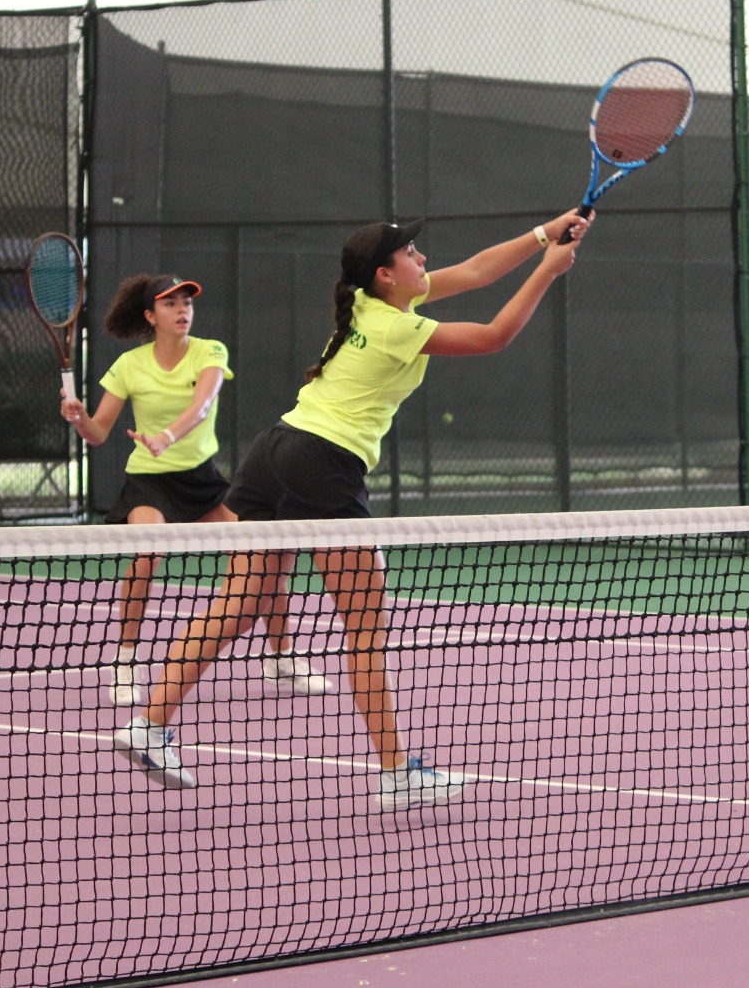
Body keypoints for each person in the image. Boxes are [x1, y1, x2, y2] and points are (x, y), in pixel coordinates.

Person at [113, 210, 592, 806]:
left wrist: (547, 233)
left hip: (273, 452)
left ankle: (148, 723)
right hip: (322, 464)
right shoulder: (395, 327)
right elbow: (495, 335)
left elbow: (474, 271)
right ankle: (397, 774)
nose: (421, 258)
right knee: (365, 624)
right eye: (410, 253)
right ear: (385, 275)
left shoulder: (369, 303)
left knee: (239, 604)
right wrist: (547, 271)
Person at [60, 273, 328, 707]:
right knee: (146, 556)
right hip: (149, 482)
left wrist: (166, 437)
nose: (182, 309)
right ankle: (125, 662)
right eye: (170, 304)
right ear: (150, 316)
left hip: (202, 479)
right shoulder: (129, 365)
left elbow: (202, 406)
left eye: (186, 302)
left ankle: (281, 657)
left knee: (265, 553)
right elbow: (98, 433)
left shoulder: (210, 351)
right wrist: (79, 418)